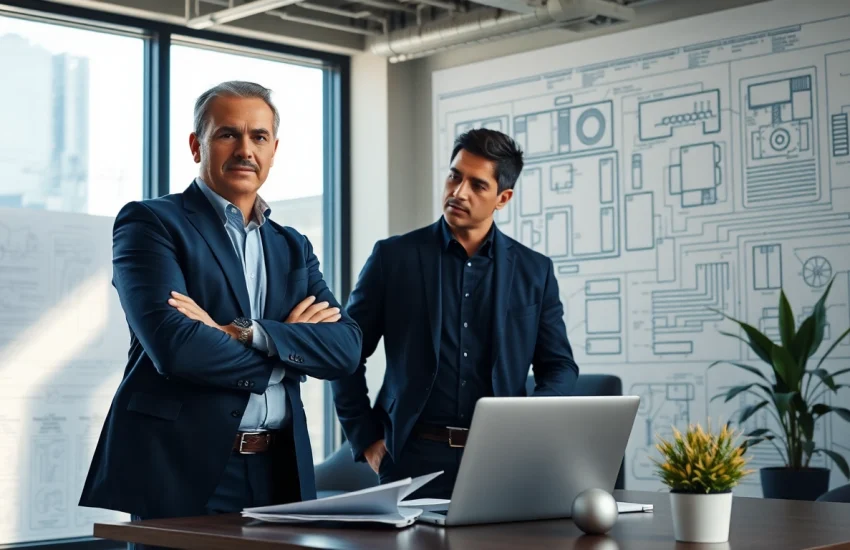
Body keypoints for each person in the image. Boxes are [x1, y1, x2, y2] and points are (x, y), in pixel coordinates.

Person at [79, 81, 361, 545]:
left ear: (273, 151)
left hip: (280, 472)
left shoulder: (292, 246)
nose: (245, 149)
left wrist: (243, 332)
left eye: (259, 137)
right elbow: (177, 349)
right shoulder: (151, 223)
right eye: (228, 134)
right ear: (197, 145)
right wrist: (287, 346)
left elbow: (346, 350)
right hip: (181, 469)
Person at [331, 128, 579, 499]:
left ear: (503, 197)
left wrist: (532, 427)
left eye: (477, 185)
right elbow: (344, 354)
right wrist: (366, 438)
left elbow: (559, 366)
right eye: (454, 176)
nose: (458, 192)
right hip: (410, 459)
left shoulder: (534, 272)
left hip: (500, 458)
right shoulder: (393, 258)